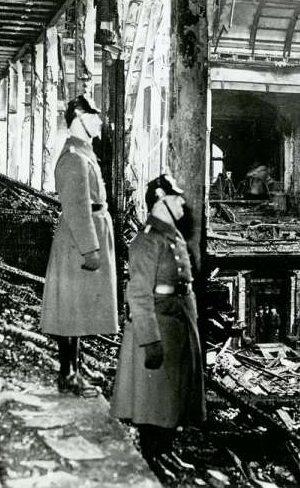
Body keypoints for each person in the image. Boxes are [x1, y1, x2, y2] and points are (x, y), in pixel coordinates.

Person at [111, 174, 205, 459]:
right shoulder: (146, 240)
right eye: (176, 198)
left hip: (178, 324)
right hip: (159, 327)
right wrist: (149, 340)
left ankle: (165, 451)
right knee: (152, 402)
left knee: (172, 397)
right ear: (161, 199)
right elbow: (138, 295)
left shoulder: (171, 236)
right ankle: (151, 457)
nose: (181, 204)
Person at [40, 95, 118, 398]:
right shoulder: (74, 156)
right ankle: (67, 375)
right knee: (70, 310)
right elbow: (75, 207)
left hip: (88, 232)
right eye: (94, 116)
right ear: (78, 119)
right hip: (78, 239)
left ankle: (74, 372)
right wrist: (90, 248)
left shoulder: (84, 153)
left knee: (78, 309)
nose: (99, 121)